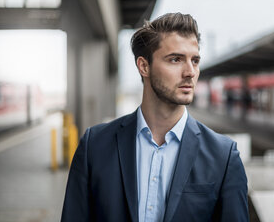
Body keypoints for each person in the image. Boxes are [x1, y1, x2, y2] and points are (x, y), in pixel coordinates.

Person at [61, 13, 249, 222]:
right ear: (144, 66)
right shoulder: (94, 146)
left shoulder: (223, 156)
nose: (190, 72)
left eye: (194, 60)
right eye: (175, 59)